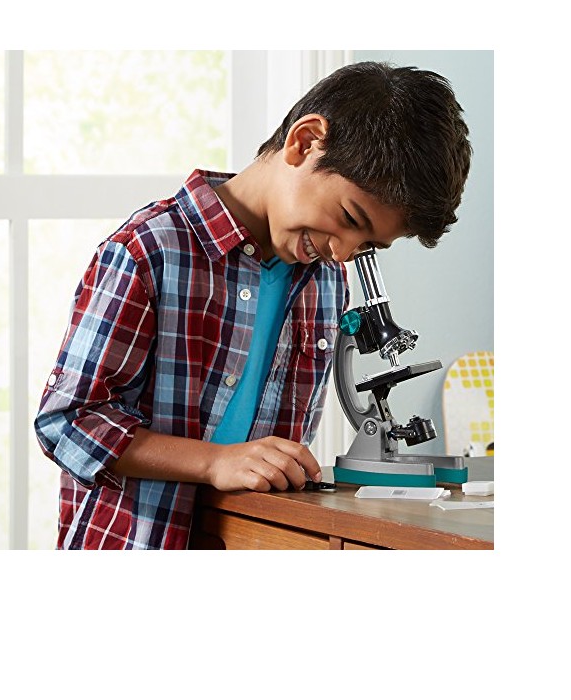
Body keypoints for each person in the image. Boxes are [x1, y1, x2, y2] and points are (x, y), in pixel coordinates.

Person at [34, 61, 472, 549]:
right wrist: (214, 462)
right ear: (304, 142)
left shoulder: (326, 281)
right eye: (350, 218)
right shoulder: (148, 252)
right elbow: (67, 422)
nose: (343, 252)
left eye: (368, 245)